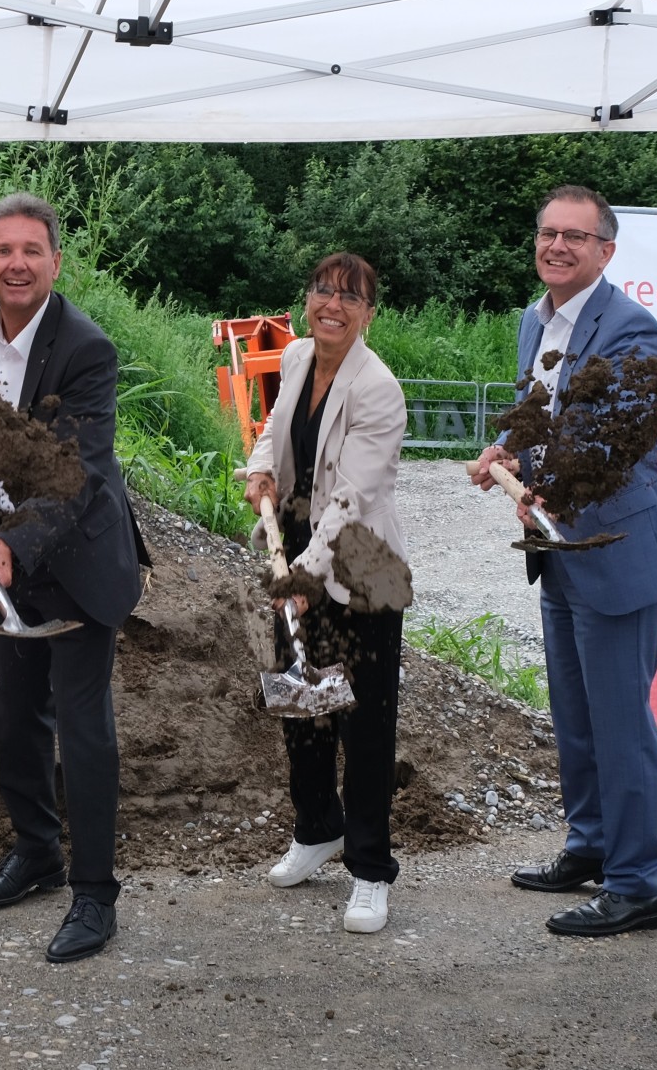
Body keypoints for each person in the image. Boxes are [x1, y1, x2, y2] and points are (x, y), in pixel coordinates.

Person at [0, 193, 150, 964]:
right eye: (2, 251)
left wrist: (13, 546)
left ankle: (94, 896)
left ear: (57, 261)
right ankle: (36, 854)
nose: (16, 263)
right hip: (9, 553)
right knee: (15, 714)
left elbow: (75, 474)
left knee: (82, 730)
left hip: (79, 555)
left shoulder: (86, 348)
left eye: (32, 250)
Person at [470, 185, 657, 938]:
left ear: (605, 249)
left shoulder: (631, 327)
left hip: (616, 549)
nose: (556, 246)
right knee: (575, 714)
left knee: (618, 721)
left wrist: (556, 479)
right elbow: (545, 416)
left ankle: (637, 885)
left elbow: (623, 433)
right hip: (557, 549)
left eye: (574, 236)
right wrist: (508, 451)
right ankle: (591, 846)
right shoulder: (533, 322)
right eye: (546, 234)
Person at [242, 253, 408, 935]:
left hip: (358, 564)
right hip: (294, 548)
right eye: (322, 291)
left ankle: (369, 870)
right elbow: (275, 432)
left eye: (350, 297)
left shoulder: (379, 389)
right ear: (306, 298)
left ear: (369, 313)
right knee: (300, 703)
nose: (331, 305)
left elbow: (349, 497)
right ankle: (316, 829)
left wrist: (306, 575)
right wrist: (259, 472)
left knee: (362, 723)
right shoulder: (297, 358)